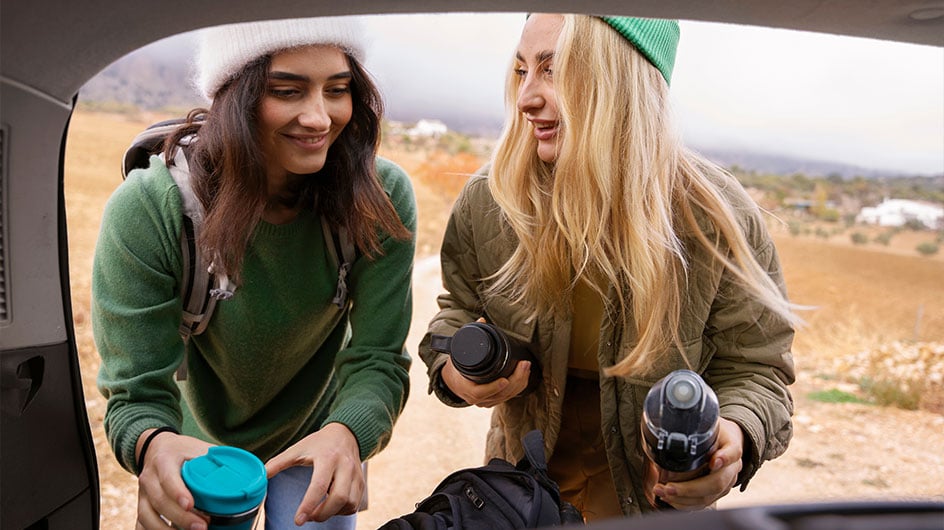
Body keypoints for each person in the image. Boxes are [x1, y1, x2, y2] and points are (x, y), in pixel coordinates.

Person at [419, 13, 799, 521]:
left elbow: (757, 369)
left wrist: (732, 437)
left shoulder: (715, 218)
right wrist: (452, 369)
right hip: (520, 495)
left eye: (553, 70)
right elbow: (457, 312)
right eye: (522, 71)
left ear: (622, 79)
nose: (527, 97)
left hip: (645, 504)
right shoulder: (491, 202)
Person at [92, 16, 416, 530]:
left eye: (338, 89)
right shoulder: (150, 209)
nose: (318, 117)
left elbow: (377, 357)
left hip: (318, 433)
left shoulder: (379, 200)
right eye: (286, 91)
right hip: (199, 451)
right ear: (234, 97)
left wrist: (350, 434)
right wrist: (153, 442)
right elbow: (136, 390)